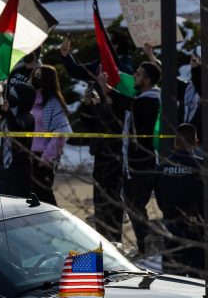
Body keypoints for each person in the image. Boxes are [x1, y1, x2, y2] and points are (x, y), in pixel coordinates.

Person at [97, 61, 161, 254]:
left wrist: (107, 88)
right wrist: (106, 98)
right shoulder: (141, 98)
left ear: (147, 80)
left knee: (135, 208)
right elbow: (126, 109)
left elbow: (132, 106)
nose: (134, 76)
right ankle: (147, 246)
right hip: (132, 162)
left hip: (143, 163)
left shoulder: (151, 99)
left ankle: (149, 248)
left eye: (138, 74)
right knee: (134, 207)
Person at [154, 123, 203, 277]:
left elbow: (159, 198)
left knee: (174, 282)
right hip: (197, 231)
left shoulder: (162, 167)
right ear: (196, 143)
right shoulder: (202, 166)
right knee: (200, 283)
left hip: (171, 229)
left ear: (175, 142)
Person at [79, 81, 125, 242]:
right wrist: (86, 105)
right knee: (99, 203)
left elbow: (111, 125)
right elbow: (87, 125)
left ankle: (114, 240)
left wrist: (98, 104)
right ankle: (103, 241)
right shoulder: (100, 107)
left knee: (111, 202)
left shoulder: (117, 104)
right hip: (100, 156)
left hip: (114, 158)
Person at [30, 65, 72, 205]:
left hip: (44, 157)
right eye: (34, 75)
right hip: (29, 153)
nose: (34, 79)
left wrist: (47, 157)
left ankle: (57, 224)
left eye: (38, 76)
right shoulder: (30, 99)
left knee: (44, 196)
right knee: (33, 197)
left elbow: (60, 134)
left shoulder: (53, 103)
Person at [0, 83, 36, 197]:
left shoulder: (28, 117)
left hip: (19, 171)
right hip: (3, 169)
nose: (10, 98)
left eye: (14, 95)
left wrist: (8, 113)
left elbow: (17, 129)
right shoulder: (11, 115)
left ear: (23, 99)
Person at [60, 30, 134, 80]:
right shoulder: (102, 62)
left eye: (107, 43)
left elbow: (124, 75)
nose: (104, 45)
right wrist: (66, 55)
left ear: (115, 46)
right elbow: (78, 72)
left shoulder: (126, 65)